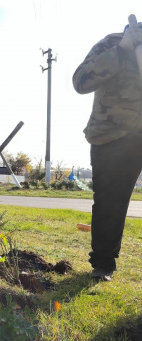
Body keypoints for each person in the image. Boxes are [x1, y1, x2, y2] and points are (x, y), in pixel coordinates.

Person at [72, 18, 142, 281]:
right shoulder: (112, 42)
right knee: (110, 204)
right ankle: (103, 265)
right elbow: (80, 82)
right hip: (112, 135)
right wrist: (122, 50)